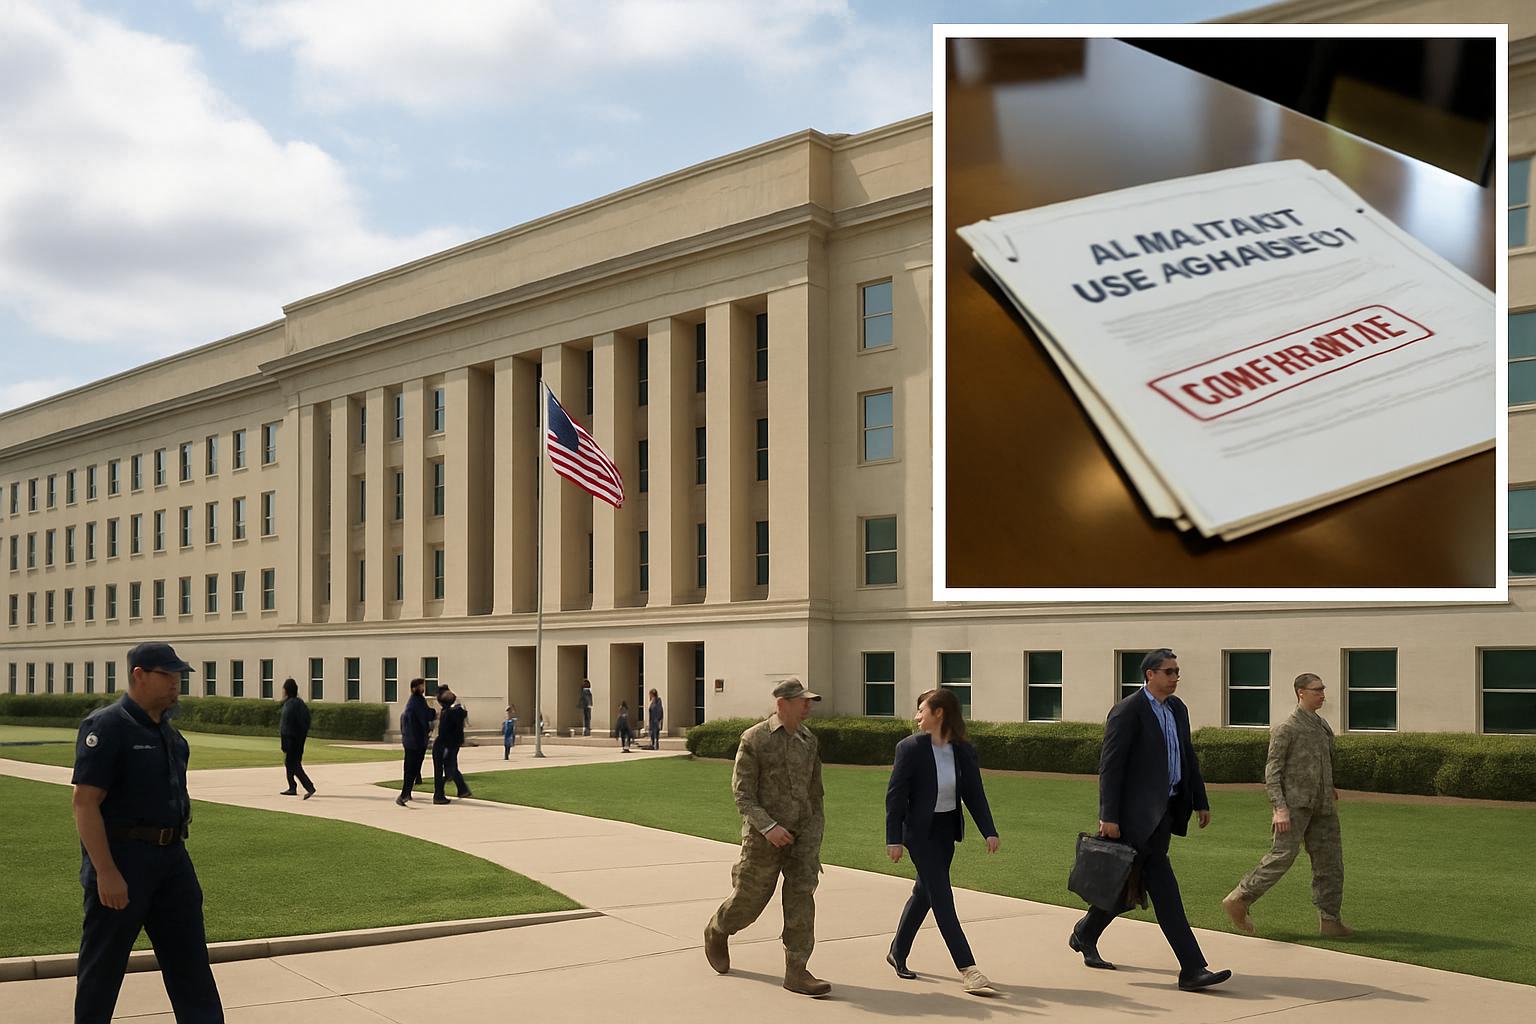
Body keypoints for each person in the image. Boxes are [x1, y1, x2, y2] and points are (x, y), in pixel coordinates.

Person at [71, 641, 225, 1023]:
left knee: (190, 964)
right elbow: (85, 802)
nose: (176, 684)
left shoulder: (171, 737)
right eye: (168, 675)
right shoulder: (107, 727)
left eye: (178, 676)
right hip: (124, 861)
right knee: (102, 970)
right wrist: (105, 872)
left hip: (172, 861)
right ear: (138, 674)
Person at [1069, 648, 1231, 992]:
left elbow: (1187, 757)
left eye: (1176, 672)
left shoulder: (1177, 709)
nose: (1175, 678)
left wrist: (1200, 800)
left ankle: (1085, 932)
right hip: (1132, 819)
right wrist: (1108, 815)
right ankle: (1192, 968)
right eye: (1168, 672)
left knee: (1124, 884)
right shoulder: (1128, 711)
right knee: (1164, 890)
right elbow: (1110, 767)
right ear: (1150, 675)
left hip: (1165, 814)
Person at [704, 679, 830, 997]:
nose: (808, 707)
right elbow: (743, 794)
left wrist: (814, 835)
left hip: (802, 837)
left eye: (809, 701)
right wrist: (769, 827)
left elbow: (816, 793)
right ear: (782, 703)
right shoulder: (755, 739)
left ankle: (797, 970)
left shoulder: (808, 740)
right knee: (749, 901)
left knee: (801, 898)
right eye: (803, 701)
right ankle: (718, 929)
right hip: (763, 839)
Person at [885, 688, 1000, 994]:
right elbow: (895, 797)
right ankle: (968, 968)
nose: (916, 716)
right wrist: (893, 838)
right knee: (942, 896)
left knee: (925, 893)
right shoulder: (909, 748)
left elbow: (974, 793)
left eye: (921, 710)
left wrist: (989, 829)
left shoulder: (963, 750)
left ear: (939, 714)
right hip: (919, 833)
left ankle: (897, 951)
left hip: (946, 831)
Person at [1224, 673, 1351, 937]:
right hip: (1293, 806)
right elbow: (1273, 771)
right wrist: (1279, 807)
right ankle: (1240, 898)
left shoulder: (1322, 726)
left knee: (1331, 863)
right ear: (1301, 693)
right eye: (1317, 690)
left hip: (1322, 806)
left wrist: (1330, 789)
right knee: (1282, 856)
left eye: (1323, 690)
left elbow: (1323, 762)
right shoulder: (1287, 727)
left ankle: (1330, 920)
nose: (1322, 695)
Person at [396, 678, 435, 807]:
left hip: (417, 740)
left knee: (414, 767)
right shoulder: (415, 703)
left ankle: (407, 792)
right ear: (414, 688)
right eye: (421, 686)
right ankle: (403, 795)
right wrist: (434, 712)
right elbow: (426, 716)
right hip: (414, 741)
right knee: (411, 768)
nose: (423, 688)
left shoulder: (419, 701)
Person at [432, 685, 471, 804]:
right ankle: (459, 790)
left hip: (444, 745)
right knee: (450, 768)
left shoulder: (447, 714)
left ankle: (441, 794)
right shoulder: (457, 712)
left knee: (443, 770)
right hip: (450, 745)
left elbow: (443, 733)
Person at [277, 678, 315, 799]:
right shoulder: (300, 704)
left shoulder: (290, 705)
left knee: (293, 765)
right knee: (290, 763)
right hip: (299, 740)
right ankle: (292, 787)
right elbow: (307, 722)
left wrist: (285, 742)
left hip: (292, 740)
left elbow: (285, 726)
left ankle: (309, 787)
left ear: (286, 691)